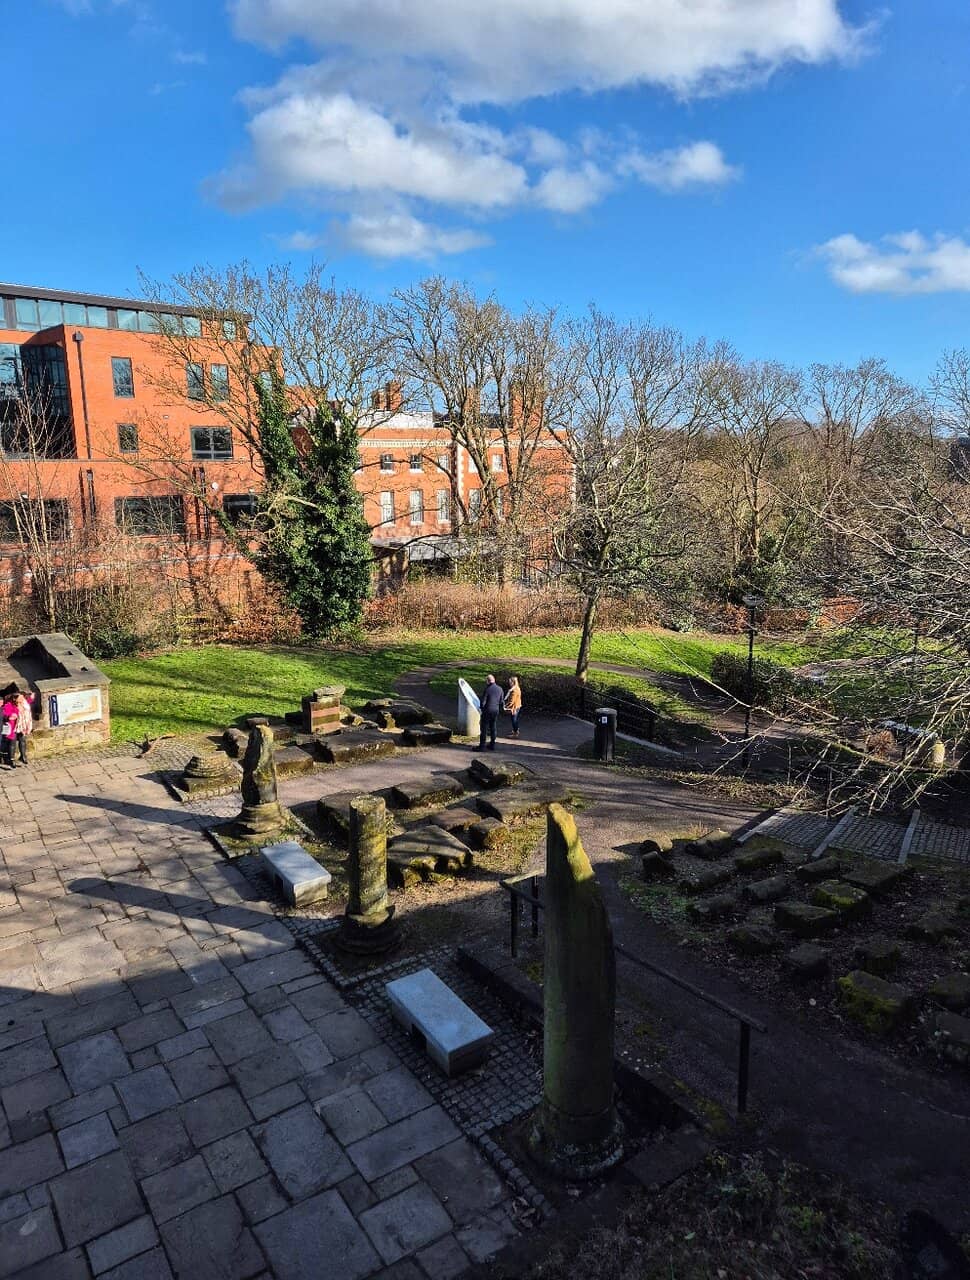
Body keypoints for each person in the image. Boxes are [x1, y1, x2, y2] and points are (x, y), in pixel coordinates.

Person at [477, 674, 504, 751]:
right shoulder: (500, 689)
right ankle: (492, 744)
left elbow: (483, 702)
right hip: (495, 710)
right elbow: (501, 701)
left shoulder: (487, 689)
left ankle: (482, 746)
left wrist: (481, 709)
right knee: (493, 727)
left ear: (487, 681)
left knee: (484, 728)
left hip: (487, 711)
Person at [0, 688, 18, 768]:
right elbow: (4, 716)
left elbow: (5, 717)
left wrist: (11, 717)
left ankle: (10, 760)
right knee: (3, 745)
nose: (2, 702)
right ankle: (4, 760)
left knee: (9, 744)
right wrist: (8, 717)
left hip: (10, 728)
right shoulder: (5, 707)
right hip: (5, 729)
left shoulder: (4, 708)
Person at [14, 688, 33, 765]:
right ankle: (11, 758)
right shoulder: (12, 705)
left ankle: (23, 756)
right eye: (20, 697)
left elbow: (28, 713)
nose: (22, 699)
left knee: (22, 740)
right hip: (14, 726)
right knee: (12, 743)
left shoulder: (25, 704)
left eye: (22, 697)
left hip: (23, 725)